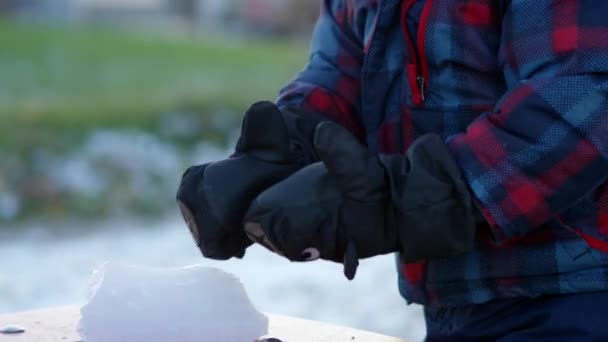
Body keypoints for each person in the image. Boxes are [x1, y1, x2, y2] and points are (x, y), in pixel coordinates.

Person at [177, 0, 608, 340]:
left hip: (577, 292)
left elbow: (582, 101)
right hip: (456, 297)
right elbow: (341, 67)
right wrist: (284, 151)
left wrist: (413, 198)